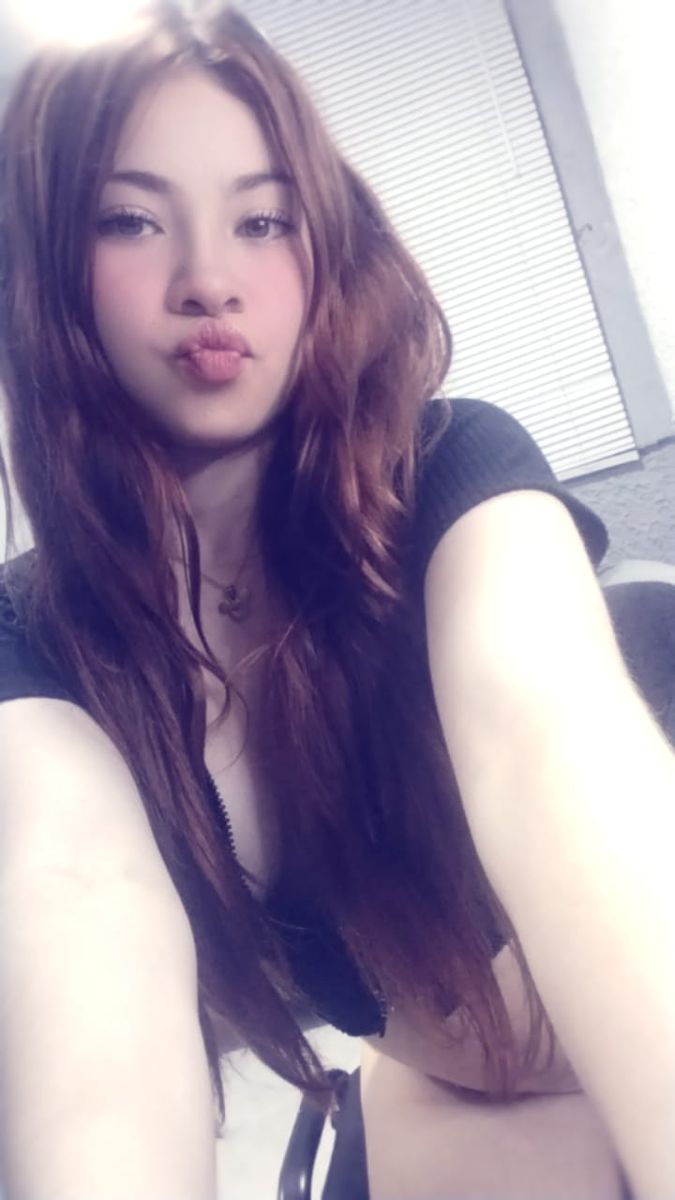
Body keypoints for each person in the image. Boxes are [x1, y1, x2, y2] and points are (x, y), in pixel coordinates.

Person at [0, 4, 673, 1198]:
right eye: (130, 219)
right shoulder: (35, 643)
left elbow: (542, 744)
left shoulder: (454, 471)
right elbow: (74, 907)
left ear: (321, 247)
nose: (209, 280)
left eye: (262, 219)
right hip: (469, 1081)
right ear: (45, 264)